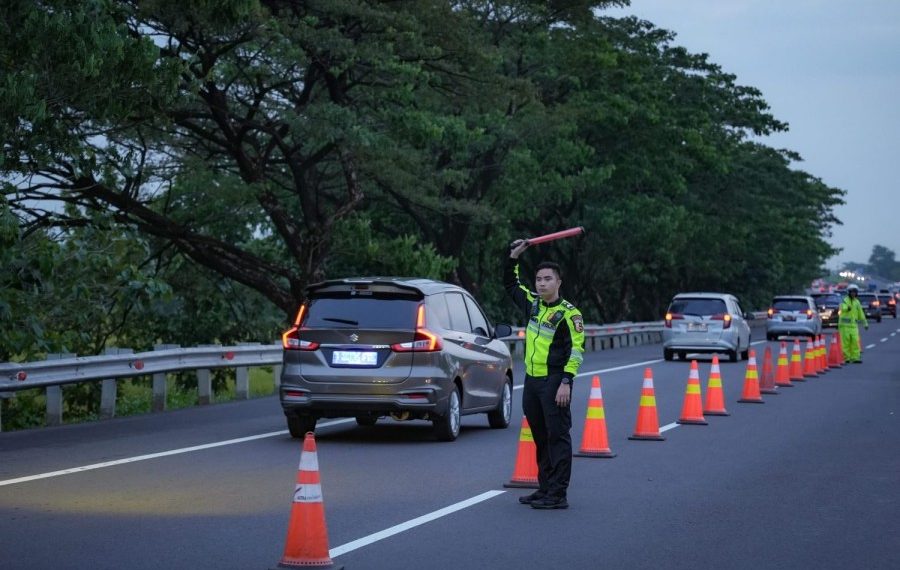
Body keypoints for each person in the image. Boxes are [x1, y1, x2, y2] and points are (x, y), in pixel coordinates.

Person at [505, 239, 585, 510]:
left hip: (555, 381)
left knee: (557, 437)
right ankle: (545, 487)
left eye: (547, 279)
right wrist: (513, 257)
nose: (541, 284)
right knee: (540, 436)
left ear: (558, 282)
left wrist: (566, 381)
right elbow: (511, 285)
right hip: (532, 381)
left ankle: (558, 494)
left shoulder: (570, 314)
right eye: (538, 279)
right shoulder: (533, 304)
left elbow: (577, 351)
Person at [839, 284, 868, 363]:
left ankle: (855, 358)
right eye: (852, 292)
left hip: (854, 326)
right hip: (844, 326)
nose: (853, 293)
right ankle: (847, 358)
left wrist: (865, 323)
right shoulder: (844, 300)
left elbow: (861, 313)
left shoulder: (857, 302)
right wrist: (847, 308)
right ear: (848, 292)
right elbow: (842, 308)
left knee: (855, 341)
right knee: (846, 343)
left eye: (855, 292)